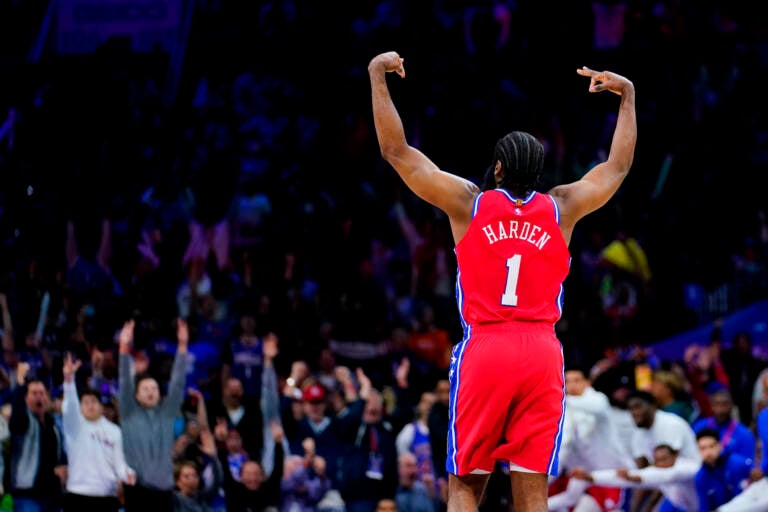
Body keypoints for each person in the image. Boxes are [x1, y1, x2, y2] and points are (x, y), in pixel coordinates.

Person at [368, 50, 636, 512]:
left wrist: (377, 75)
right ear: (539, 174)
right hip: (541, 352)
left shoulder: (469, 204)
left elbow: (397, 152)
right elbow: (616, 168)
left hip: (487, 348)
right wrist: (627, 96)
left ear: (496, 169)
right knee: (532, 492)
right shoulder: (561, 207)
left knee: (466, 486)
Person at [119, 317, 188, 511]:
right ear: (137, 395)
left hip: (164, 492)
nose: (150, 392)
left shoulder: (167, 414)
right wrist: (124, 350)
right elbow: (124, 382)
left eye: (154, 389)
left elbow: (177, 384)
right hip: (138, 491)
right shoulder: (128, 412)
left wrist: (182, 347)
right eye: (146, 389)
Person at [61, 352, 136, 511]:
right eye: (86, 403)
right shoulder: (74, 425)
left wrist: (127, 474)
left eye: (94, 402)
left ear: (101, 406)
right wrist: (69, 381)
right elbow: (70, 407)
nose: (90, 406)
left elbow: (119, 463)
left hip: (106, 496)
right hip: (78, 494)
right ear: (80, 407)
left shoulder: (114, 430)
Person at [694, 427, 754, 512]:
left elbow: (750, 498)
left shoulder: (737, 464)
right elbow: (704, 507)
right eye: (703, 448)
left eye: (711, 446)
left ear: (720, 446)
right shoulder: (700, 477)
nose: (708, 452)